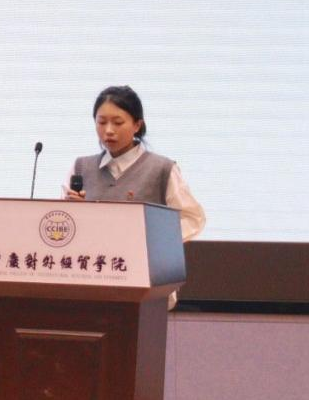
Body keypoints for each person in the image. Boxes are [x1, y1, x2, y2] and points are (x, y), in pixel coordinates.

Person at [65, 85, 205, 302]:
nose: (108, 130)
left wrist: (154, 243)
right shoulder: (81, 167)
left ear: (137, 125)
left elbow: (192, 218)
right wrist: (73, 212)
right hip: (90, 280)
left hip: (145, 285)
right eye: (101, 122)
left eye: (118, 122)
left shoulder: (161, 168)